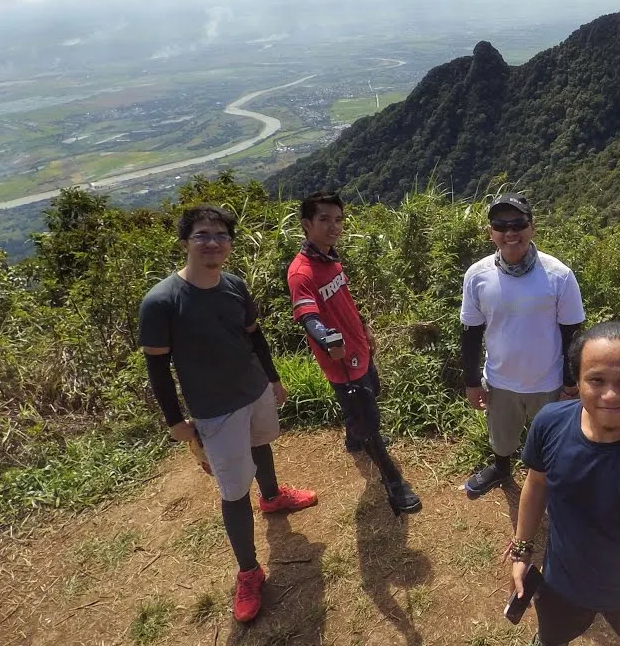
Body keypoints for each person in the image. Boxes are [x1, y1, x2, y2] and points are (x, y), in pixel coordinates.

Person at [138, 205, 317, 624]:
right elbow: (158, 368)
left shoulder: (234, 285)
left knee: (262, 444)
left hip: (254, 389)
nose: (212, 243)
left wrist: (273, 379)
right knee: (233, 490)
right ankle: (249, 572)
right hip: (213, 409)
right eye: (202, 235)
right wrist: (174, 421)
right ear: (185, 242)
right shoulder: (162, 302)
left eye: (220, 236)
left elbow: (256, 338)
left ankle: (272, 497)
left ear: (230, 244)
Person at [509, 321, 620, 646]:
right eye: (596, 380)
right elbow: (537, 484)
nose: (610, 395)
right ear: (576, 382)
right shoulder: (549, 424)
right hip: (560, 584)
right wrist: (522, 549)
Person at [286, 190, 422, 516]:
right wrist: (326, 338)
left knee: (370, 393)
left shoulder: (329, 258)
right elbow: (307, 316)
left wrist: (364, 329)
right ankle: (394, 483)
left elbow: (343, 301)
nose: (333, 226)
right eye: (324, 220)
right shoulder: (302, 271)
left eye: (338, 219)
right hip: (341, 360)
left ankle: (353, 438)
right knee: (369, 419)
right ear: (306, 224)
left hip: (359, 347)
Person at [459, 193, 585, 498]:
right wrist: (472, 382)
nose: (510, 232)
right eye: (501, 225)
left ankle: (548, 480)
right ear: (490, 232)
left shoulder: (558, 275)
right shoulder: (477, 276)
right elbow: (471, 332)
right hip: (501, 381)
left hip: (549, 380)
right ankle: (501, 468)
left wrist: (570, 381)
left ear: (532, 227)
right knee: (502, 438)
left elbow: (573, 333)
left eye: (518, 223)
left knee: (552, 439)